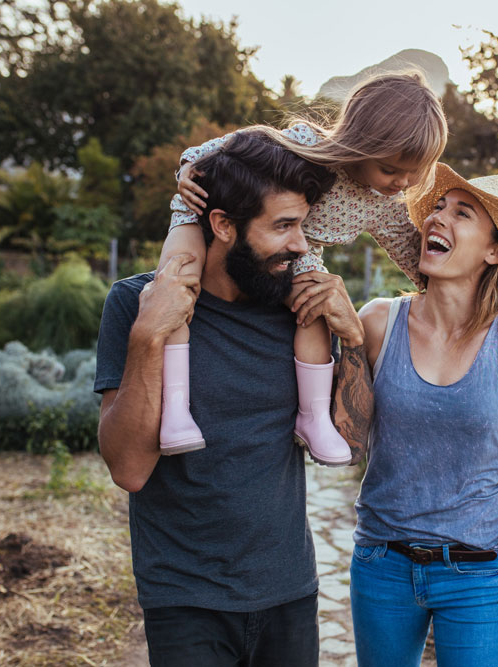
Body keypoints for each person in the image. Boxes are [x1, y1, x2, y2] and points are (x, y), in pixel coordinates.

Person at [93, 130, 373, 666]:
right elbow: (128, 468)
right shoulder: (135, 303)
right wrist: (150, 334)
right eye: (283, 226)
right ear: (222, 225)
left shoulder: (299, 307)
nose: (300, 244)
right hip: (185, 598)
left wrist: (353, 338)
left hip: (289, 590)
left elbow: (353, 443)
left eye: (304, 225)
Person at [156, 71, 447, 466]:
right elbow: (220, 148)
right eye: (391, 169)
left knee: (314, 307)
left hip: (294, 254)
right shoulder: (305, 144)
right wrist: (189, 171)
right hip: (202, 214)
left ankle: (311, 418)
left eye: (415, 172)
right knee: (177, 282)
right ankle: (174, 408)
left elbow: (411, 253)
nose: (403, 182)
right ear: (360, 142)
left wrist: (454, 288)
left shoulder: (383, 202)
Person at [349, 163, 498, 667]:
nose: (438, 219)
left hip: (477, 575)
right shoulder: (377, 322)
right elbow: (341, 440)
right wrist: (332, 325)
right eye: (437, 208)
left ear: (494, 251)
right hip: (382, 564)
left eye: (462, 213)